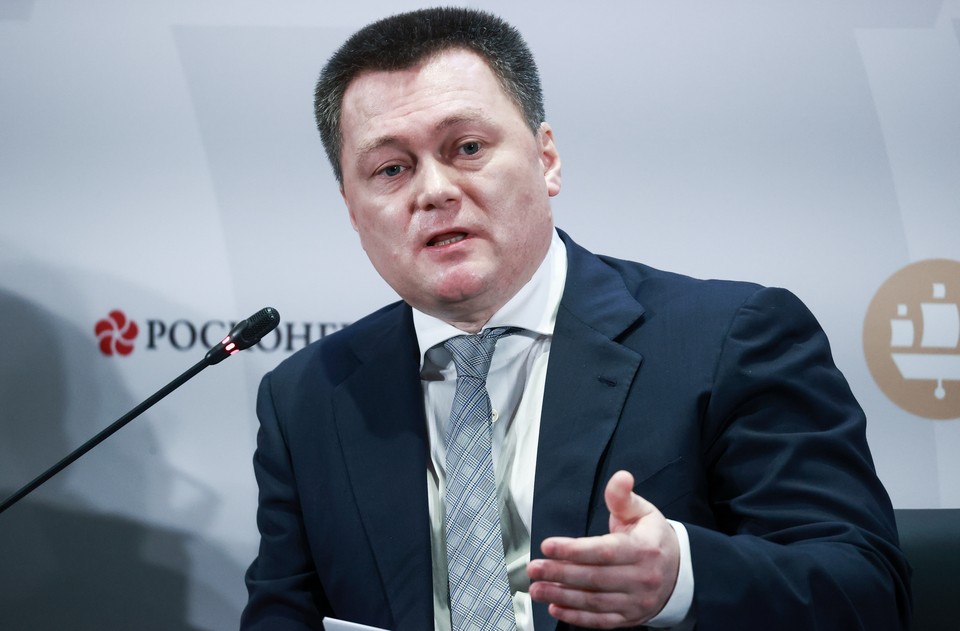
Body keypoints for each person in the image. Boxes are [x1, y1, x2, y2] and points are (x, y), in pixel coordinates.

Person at [241, 7, 911, 631]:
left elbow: (867, 589)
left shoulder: (730, 339)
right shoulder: (307, 397)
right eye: (392, 169)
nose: (435, 190)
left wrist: (682, 577)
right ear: (352, 209)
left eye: (467, 148)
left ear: (547, 159)